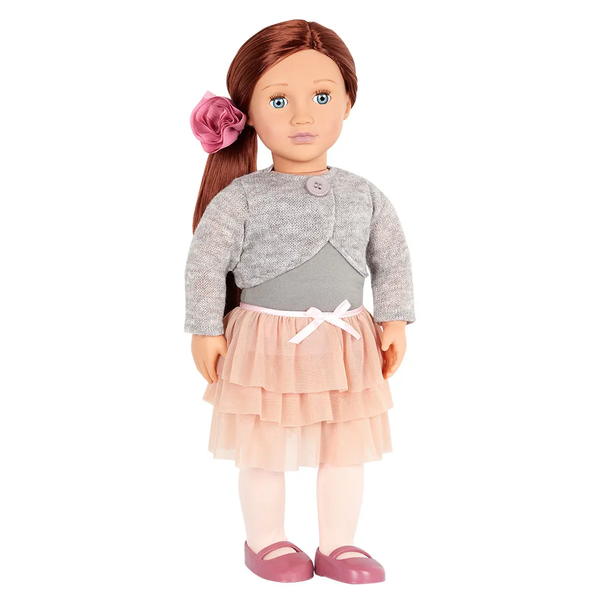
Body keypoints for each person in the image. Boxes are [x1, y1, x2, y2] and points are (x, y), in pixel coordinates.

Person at [184, 19, 416, 584]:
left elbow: (392, 259)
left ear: (348, 102)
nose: (302, 117)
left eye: (321, 96)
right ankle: (265, 540)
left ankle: (339, 543)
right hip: (265, 344)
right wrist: (204, 327)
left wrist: (394, 318)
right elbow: (205, 263)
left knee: (345, 448)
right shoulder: (241, 198)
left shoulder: (365, 195)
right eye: (279, 100)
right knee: (264, 447)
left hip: (345, 343)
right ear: (247, 112)